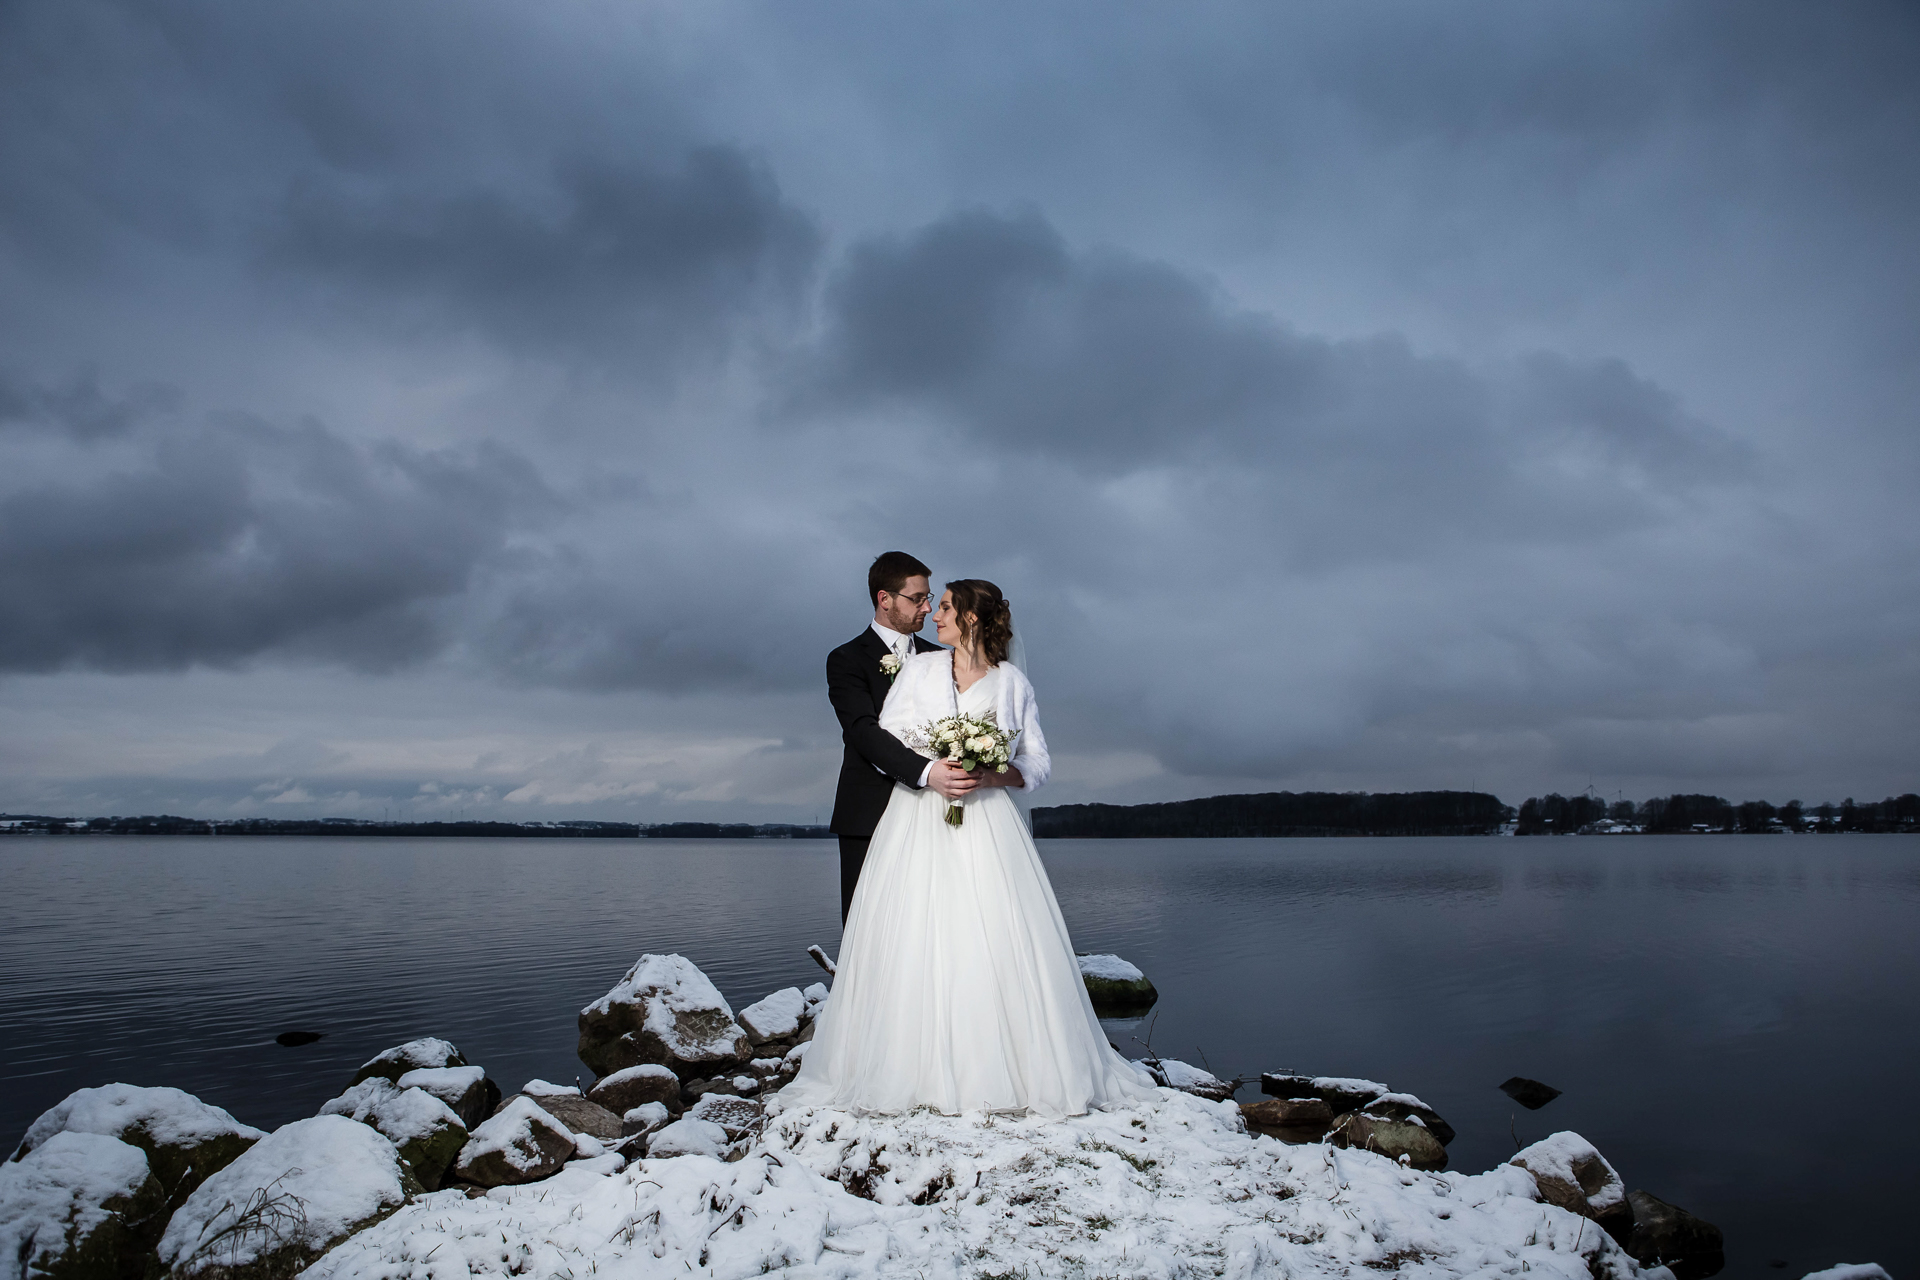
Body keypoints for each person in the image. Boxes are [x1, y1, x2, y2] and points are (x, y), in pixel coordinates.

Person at [788, 579, 1157, 1117]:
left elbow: (1037, 763)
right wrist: (932, 771)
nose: (934, 614)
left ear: (972, 619)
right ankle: (904, 1065)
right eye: (931, 604)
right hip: (916, 819)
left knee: (990, 934)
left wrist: (992, 774)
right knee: (916, 931)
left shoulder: (1012, 685)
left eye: (944, 607)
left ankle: (1002, 1067)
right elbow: (886, 738)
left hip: (987, 826)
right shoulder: (918, 671)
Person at [825, 552, 979, 923]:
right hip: (869, 813)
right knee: (868, 925)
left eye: (929, 598)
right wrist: (928, 772)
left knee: (928, 923)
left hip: (933, 813)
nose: (928, 608)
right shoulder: (846, 659)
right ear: (885, 599)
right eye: (918, 598)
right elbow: (863, 731)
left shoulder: (945, 658)